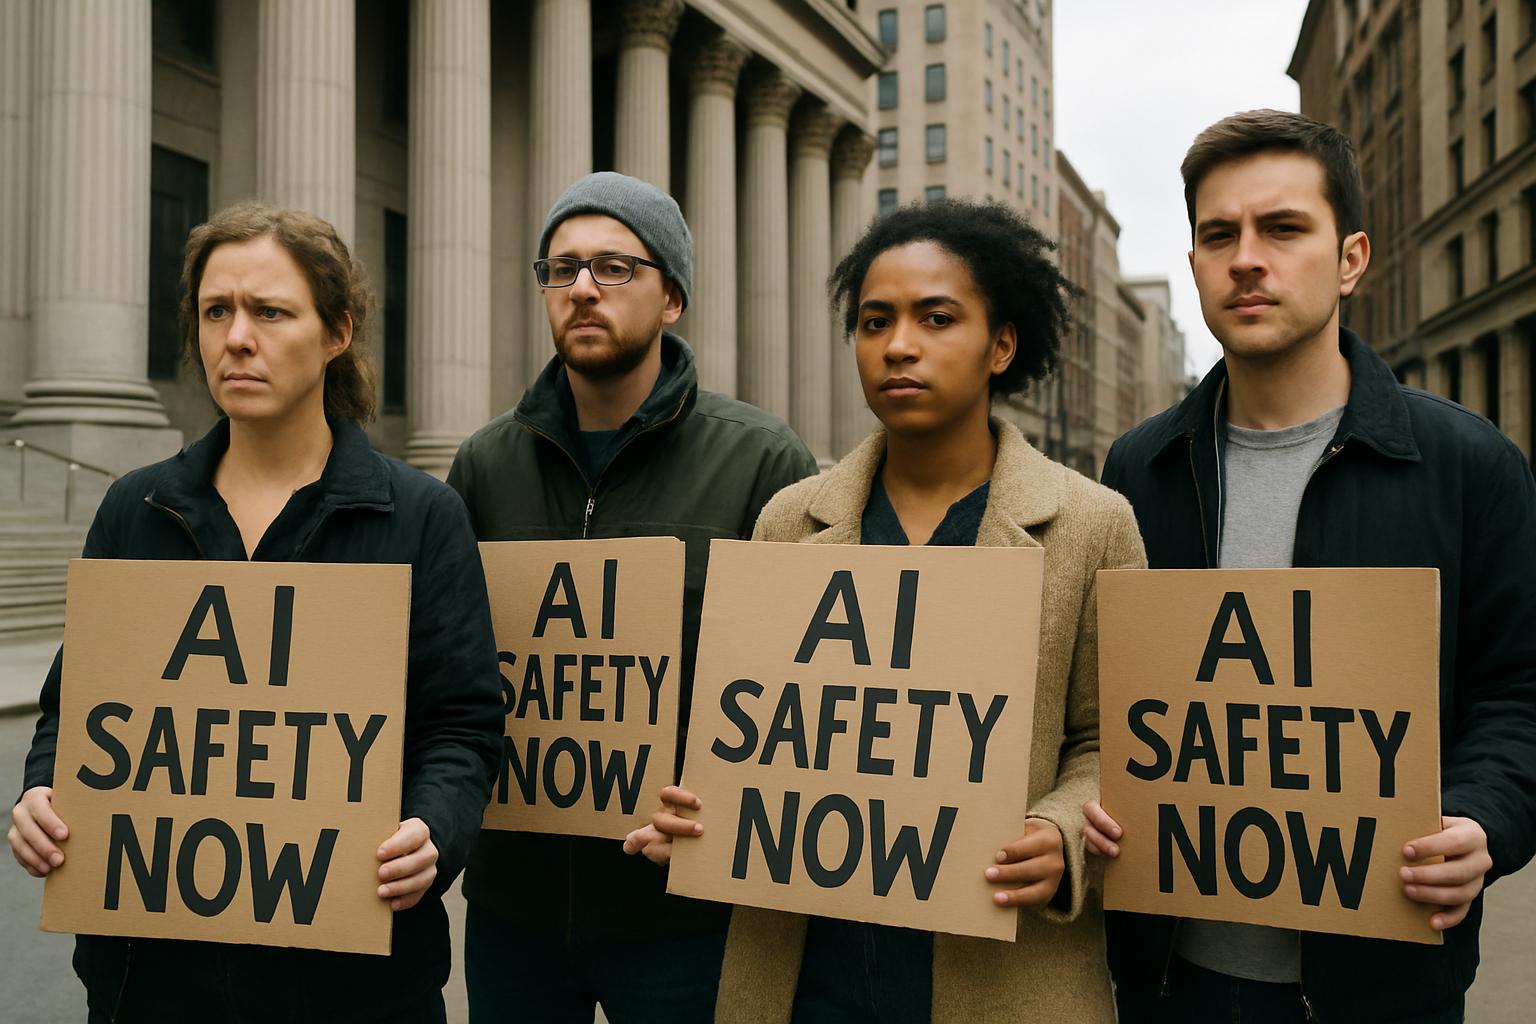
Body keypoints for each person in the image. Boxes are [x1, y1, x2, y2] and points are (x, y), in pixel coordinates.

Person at [623, 198, 1147, 1023]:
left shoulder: (1093, 524)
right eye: (874, 322)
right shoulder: (788, 520)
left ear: (1001, 344)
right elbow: (761, 728)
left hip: (1002, 981)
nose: (898, 345)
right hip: (806, 983)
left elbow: (1117, 740)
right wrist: (704, 806)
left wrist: (1059, 835)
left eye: (936, 318)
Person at [1085, 110, 1536, 1022]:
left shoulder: (1467, 466)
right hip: (1171, 985)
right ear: (1198, 266)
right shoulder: (1138, 470)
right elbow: (1103, 706)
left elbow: (1519, 697)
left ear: (1350, 259)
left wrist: (1482, 820)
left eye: (1283, 229)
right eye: (1220, 235)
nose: (1246, 258)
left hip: (1380, 987)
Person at [7, 202, 504, 1023]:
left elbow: (464, 724)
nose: (237, 337)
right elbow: (76, 707)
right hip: (150, 985)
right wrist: (40, 793)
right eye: (216, 311)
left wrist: (432, 830)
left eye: (270, 312)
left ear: (336, 332)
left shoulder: (419, 516)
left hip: (352, 987)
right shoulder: (136, 510)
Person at [446, 171, 817, 1023]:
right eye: (561, 268)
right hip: (515, 913)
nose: (581, 288)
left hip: (686, 915)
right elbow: (447, 673)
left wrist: (723, 806)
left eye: (615, 267)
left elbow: (807, 693)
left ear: (672, 298)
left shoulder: (764, 462)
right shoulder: (483, 465)